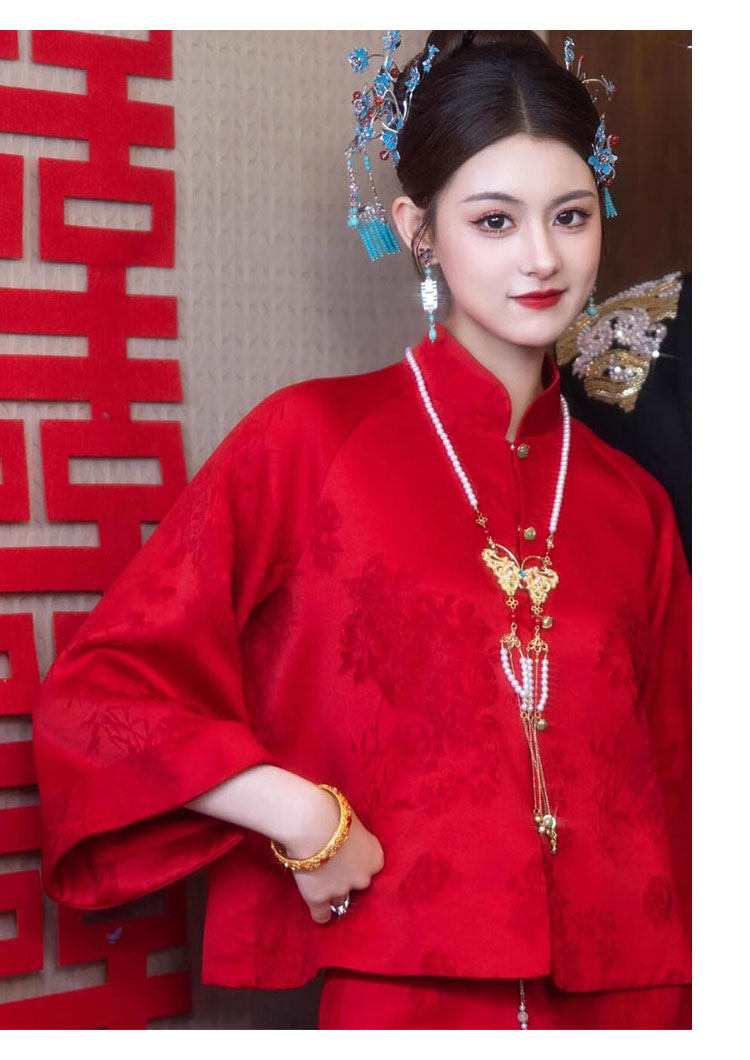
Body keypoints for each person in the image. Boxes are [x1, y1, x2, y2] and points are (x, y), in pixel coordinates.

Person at [32, 31, 691, 1030]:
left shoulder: (632, 503)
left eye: (570, 215)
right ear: (418, 230)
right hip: (394, 991)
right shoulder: (308, 444)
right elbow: (99, 698)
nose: (543, 257)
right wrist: (296, 809)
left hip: (630, 1000)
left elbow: (684, 779)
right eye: (495, 220)